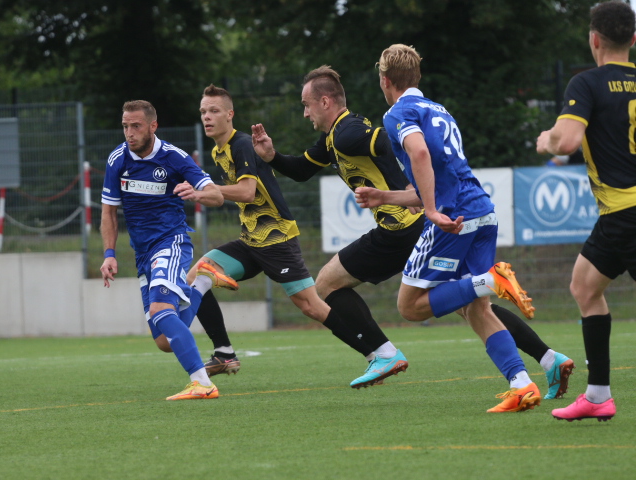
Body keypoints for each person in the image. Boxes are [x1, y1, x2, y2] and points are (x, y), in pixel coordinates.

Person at [252, 65, 574, 400]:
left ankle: (383, 353)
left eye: (307, 105)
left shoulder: (349, 132)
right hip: (413, 225)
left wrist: (410, 183)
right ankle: (548, 359)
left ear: (326, 102)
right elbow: (302, 169)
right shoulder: (334, 137)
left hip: (400, 229)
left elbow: (391, 142)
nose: (305, 113)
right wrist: (272, 156)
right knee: (472, 305)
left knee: (328, 283)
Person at [154, 83, 408, 388]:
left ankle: (374, 354)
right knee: (197, 274)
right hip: (251, 240)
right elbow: (230, 195)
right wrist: (201, 194)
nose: (207, 117)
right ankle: (224, 353)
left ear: (230, 114)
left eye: (214, 111)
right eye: (203, 111)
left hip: (277, 240)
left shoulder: (242, 144)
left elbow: (247, 192)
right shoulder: (218, 150)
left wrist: (205, 190)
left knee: (312, 305)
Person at [354, 44, 547, 412]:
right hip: (481, 211)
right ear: (417, 76)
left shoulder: (398, 113)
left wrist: (430, 210)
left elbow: (420, 154)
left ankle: (491, 279)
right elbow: (438, 175)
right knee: (477, 309)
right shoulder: (438, 109)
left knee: (409, 307)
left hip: (454, 217)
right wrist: (384, 196)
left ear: (385, 80)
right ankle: (521, 384)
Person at [537, 1, 635, 422]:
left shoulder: (588, 82)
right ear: (634, 39)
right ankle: (597, 395)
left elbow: (567, 141)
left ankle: (598, 396)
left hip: (625, 211)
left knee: (585, 288)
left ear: (594, 39)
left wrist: (547, 139)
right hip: (617, 217)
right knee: (584, 286)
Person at [100, 100, 225, 401]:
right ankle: (202, 282)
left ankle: (202, 383)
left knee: (160, 310)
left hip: (171, 242)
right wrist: (109, 254)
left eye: (136, 126)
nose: (129, 133)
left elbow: (217, 196)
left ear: (153, 126)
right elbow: (108, 212)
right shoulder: (117, 160)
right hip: (142, 253)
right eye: (125, 126)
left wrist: (196, 193)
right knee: (164, 341)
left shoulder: (174, 157)